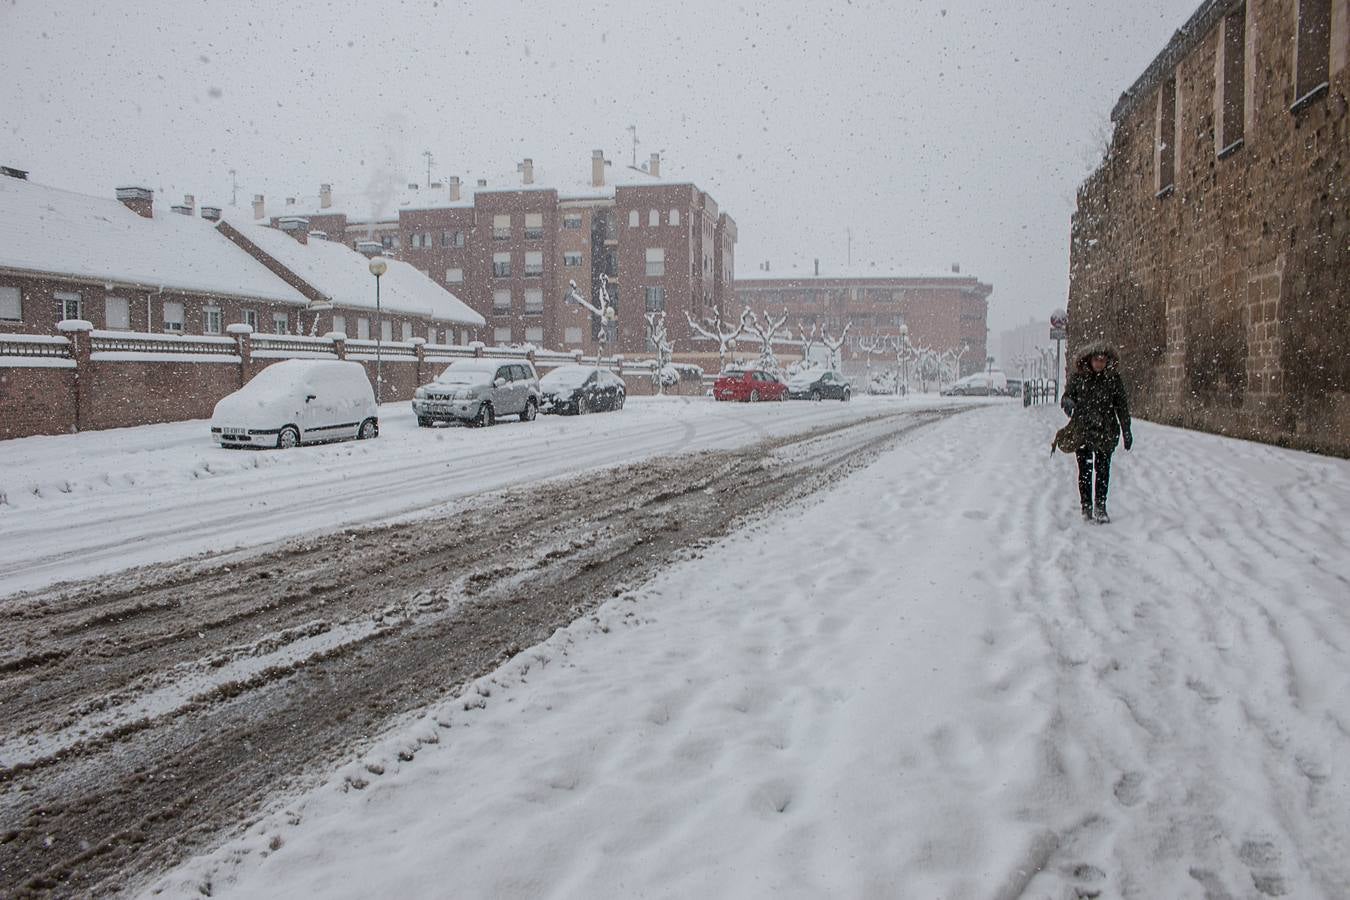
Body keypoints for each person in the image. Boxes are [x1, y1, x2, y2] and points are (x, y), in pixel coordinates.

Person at [1060, 343, 1132, 523]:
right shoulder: (1079, 378)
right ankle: (1086, 506)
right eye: (1096, 360)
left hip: (1106, 430)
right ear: (1089, 360)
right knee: (1085, 470)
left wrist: (1126, 430)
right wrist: (1069, 404)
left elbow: (1121, 406)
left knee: (1103, 470)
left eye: (1103, 360)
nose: (1099, 363)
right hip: (1083, 429)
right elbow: (1067, 396)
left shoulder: (1113, 380)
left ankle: (1100, 505)